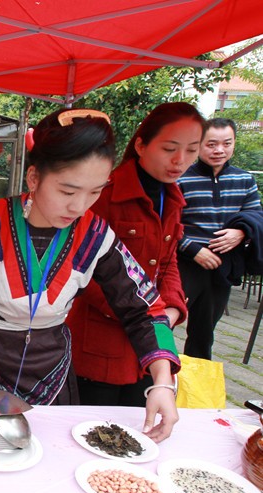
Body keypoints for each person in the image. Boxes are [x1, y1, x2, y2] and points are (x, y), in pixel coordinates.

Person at [0, 108, 181, 441]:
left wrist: (162, 380)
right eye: (67, 191)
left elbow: (146, 308)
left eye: (95, 192)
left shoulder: (97, 236)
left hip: (50, 374)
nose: (79, 206)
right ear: (34, 178)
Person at [68, 102, 203, 407]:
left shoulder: (174, 198)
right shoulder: (103, 194)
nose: (180, 161)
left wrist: (170, 309)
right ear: (141, 144)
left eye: (192, 150)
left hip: (151, 337)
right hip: (101, 339)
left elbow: (167, 263)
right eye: (170, 148)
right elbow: (79, 268)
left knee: (142, 427)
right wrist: (140, 313)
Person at [177, 117, 263, 359]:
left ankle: (196, 393)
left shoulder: (244, 180)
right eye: (211, 144)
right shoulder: (180, 178)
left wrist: (242, 232)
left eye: (227, 143)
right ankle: (155, 383)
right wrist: (194, 250)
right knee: (164, 323)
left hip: (222, 266)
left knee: (204, 335)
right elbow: (167, 225)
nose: (219, 150)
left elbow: (255, 214)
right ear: (199, 144)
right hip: (185, 264)